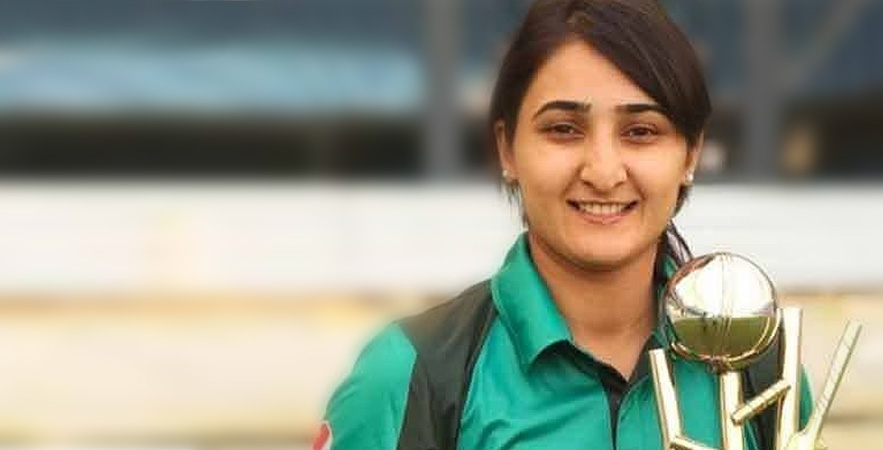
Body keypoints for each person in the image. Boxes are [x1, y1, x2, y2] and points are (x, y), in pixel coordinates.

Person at [316, 1, 812, 449]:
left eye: (641, 131)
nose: (603, 172)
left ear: (691, 154)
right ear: (507, 149)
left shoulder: (755, 362)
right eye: (563, 129)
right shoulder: (412, 375)